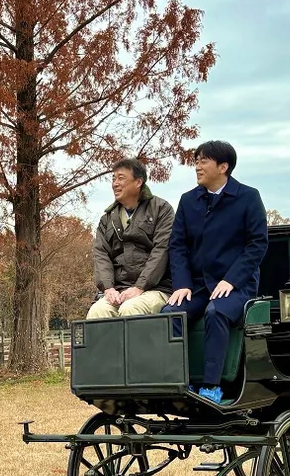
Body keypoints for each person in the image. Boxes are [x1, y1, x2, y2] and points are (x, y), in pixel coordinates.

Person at [163, 140, 269, 404]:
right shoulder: (188, 201)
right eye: (196, 161)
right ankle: (179, 383)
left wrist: (231, 280)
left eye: (203, 161)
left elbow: (257, 244)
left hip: (237, 285)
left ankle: (212, 387)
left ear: (223, 167)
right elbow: (177, 246)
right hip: (197, 286)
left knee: (216, 312)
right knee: (170, 315)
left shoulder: (248, 197)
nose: (197, 166)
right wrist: (182, 284)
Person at [87, 158, 174, 319]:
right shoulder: (107, 219)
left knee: (131, 309)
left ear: (138, 182)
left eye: (121, 178)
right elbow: (101, 254)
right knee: (97, 312)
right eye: (113, 179)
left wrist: (140, 287)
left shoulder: (161, 209)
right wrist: (108, 288)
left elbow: (161, 250)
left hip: (155, 289)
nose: (115, 183)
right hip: (119, 290)